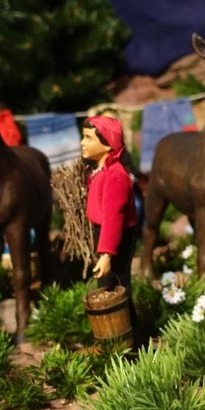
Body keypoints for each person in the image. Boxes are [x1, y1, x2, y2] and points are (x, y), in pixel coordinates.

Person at [81, 116, 138, 294]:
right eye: (84, 137)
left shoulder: (115, 175)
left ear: (107, 144)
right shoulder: (100, 171)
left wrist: (107, 254)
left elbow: (113, 218)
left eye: (89, 138)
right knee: (107, 286)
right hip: (104, 235)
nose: (82, 143)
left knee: (117, 287)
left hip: (116, 238)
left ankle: (123, 321)